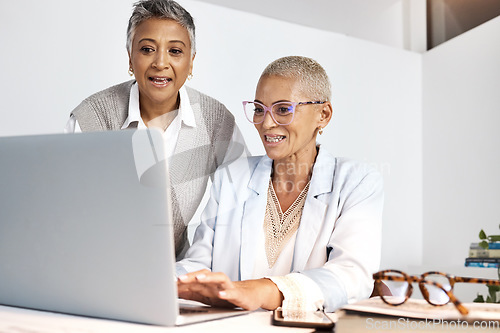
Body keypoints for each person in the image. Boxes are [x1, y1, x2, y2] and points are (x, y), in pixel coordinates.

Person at [176, 56, 383, 312]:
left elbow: (352, 276)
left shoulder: (356, 181)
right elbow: (199, 262)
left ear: (323, 114)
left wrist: (263, 290)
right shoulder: (231, 177)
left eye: (283, 109)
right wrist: (171, 280)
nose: (267, 123)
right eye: (259, 109)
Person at [65, 0, 246, 258]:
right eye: (148, 49)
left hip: (177, 273)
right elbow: (68, 209)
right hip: (97, 263)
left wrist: (201, 263)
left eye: (175, 51)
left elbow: (241, 203)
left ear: (191, 62)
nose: (160, 63)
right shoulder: (91, 118)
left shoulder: (216, 121)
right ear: (130, 57)